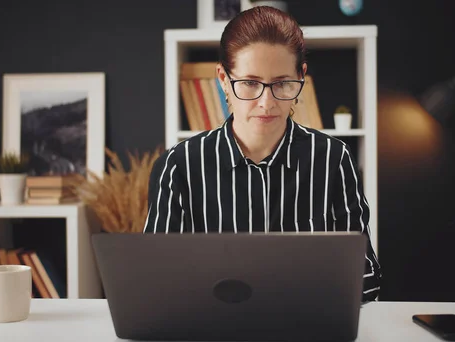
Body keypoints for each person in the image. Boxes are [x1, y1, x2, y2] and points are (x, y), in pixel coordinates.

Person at [143, 6, 382, 302]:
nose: (266, 103)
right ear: (223, 78)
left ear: (301, 78)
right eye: (250, 83)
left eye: (282, 83)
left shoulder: (334, 159)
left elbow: (366, 276)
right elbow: (157, 280)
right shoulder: (177, 166)